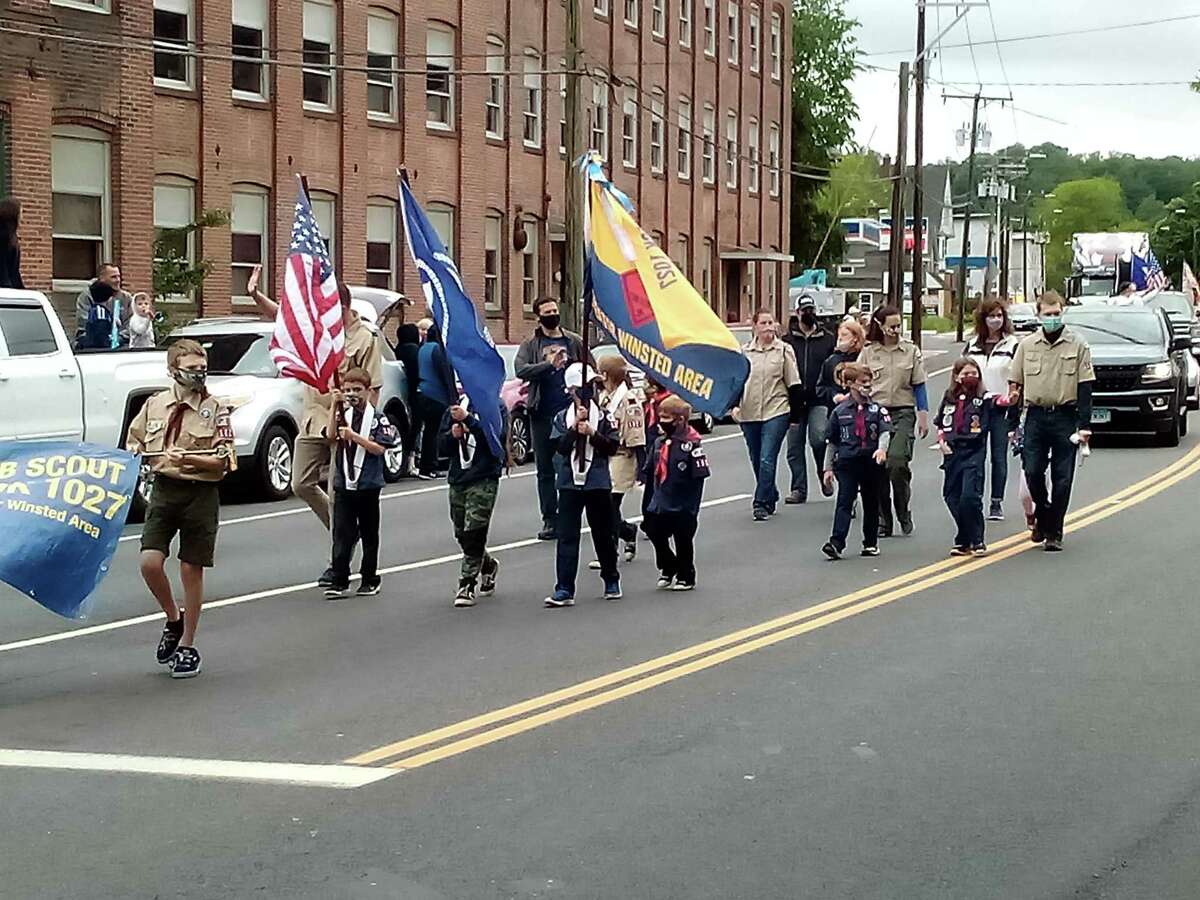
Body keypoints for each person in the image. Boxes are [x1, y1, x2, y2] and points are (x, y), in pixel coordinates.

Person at [248, 266, 384, 585]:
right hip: (313, 416)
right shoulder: (316, 327)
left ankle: (338, 557)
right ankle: (346, 532)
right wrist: (255, 295)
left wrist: (364, 426)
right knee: (301, 482)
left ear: (343, 307)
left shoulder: (364, 338)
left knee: (340, 493)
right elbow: (284, 317)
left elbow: (373, 386)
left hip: (345, 421)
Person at [126, 339, 234, 678]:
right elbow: (135, 439)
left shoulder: (215, 409)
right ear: (173, 370)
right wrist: (132, 451)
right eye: (191, 369)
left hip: (200, 492)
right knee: (149, 562)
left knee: (191, 568)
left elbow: (224, 461)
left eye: (202, 369)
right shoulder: (155, 405)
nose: (199, 375)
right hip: (164, 491)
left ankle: (187, 645)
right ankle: (174, 618)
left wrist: (188, 457)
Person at [1007, 290, 1096, 552]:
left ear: (1063, 312)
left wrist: (1085, 424)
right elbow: (1016, 386)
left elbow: (1085, 387)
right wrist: (1012, 423)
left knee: (1063, 478)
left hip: (1065, 417)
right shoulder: (1027, 346)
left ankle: (1054, 531)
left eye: (1057, 313)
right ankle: (1044, 515)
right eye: (1048, 314)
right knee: (1033, 471)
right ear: (1038, 315)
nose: (1053, 318)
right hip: (1035, 416)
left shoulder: (1078, 344)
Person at [545, 363, 621, 607]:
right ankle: (564, 587)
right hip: (569, 483)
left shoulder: (605, 416)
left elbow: (612, 446)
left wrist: (592, 433)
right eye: (587, 387)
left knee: (603, 534)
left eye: (595, 386)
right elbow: (560, 448)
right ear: (573, 390)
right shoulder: (561, 417)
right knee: (567, 536)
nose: (593, 391)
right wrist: (573, 429)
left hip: (596, 482)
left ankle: (611, 578)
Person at [515, 297, 587, 541]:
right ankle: (550, 519)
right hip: (542, 413)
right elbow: (520, 370)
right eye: (547, 312)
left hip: (568, 413)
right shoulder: (531, 344)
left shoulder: (573, 340)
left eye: (555, 310)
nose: (553, 315)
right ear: (538, 316)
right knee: (545, 469)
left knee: (567, 466)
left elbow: (590, 368)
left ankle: (570, 515)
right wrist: (548, 365)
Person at [323, 368, 398, 599]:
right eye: (347, 390)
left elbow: (380, 448)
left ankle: (369, 578)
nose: (352, 394)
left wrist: (354, 437)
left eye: (357, 390)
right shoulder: (342, 414)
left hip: (368, 484)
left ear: (367, 391)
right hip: (344, 483)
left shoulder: (377, 418)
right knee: (342, 532)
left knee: (369, 533)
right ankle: (339, 579)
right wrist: (334, 406)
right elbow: (330, 435)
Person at [858, 305, 929, 537]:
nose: (896, 330)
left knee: (897, 462)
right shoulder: (869, 352)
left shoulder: (909, 350)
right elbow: (857, 378)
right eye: (891, 326)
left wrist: (923, 415)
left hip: (902, 412)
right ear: (879, 326)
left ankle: (902, 509)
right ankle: (883, 519)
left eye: (899, 325)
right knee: (877, 467)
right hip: (876, 413)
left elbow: (919, 384)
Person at [735, 308, 801, 521]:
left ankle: (761, 503)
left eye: (770, 322)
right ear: (754, 327)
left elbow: (794, 383)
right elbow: (736, 383)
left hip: (776, 410)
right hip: (750, 412)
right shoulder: (744, 353)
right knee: (756, 458)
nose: (768, 327)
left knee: (766, 458)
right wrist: (733, 407)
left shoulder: (783, 351)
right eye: (763, 323)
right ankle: (769, 492)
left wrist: (795, 416)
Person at [820, 362, 891, 560]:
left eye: (869, 382)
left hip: (870, 461)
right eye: (863, 382)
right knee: (845, 500)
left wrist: (881, 450)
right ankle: (836, 542)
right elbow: (832, 442)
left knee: (870, 501)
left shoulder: (877, 410)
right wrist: (828, 468)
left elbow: (885, 432)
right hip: (847, 462)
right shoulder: (839, 412)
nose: (867, 386)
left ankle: (870, 542)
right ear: (850, 384)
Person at [438, 396, 504, 608]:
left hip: (483, 477)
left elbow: (496, 441)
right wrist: (452, 435)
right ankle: (487, 563)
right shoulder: (454, 409)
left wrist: (470, 421)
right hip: (458, 478)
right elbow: (440, 446)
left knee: (474, 531)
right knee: (462, 533)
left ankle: (466, 584)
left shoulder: (495, 406)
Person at [641, 395, 710, 591]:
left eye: (667, 418)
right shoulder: (659, 443)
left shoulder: (692, 445)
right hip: (660, 500)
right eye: (660, 417)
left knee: (683, 540)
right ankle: (668, 566)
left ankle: (686, 575)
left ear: (680, 419)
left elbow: (699, 477)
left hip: (683, 504)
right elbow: (651, 470)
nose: (662, 422)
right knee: (652, 530)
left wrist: (689, 505)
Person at [964, 299, 1021, 520]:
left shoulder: (1013, 344)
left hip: (1001, 408)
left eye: (999, 316)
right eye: (991, 316)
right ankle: (975, 496)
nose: (996, 320)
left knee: (999, 457)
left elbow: (1017, 378)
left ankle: (996, 502)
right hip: (977, 408)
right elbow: (963, 373)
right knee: (975, 456)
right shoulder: (972, 345)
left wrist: (1014, 410)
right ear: (983, 319)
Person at [936, 358, 993, 557]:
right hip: (952, 452)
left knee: (969, 497)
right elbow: (942, 422)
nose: (970, 377)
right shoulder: (949, 397)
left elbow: (1000, 403)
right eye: (965, 374)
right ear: (956, 376)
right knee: (951, 496)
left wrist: (1010, 400)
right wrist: (942, 442)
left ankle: (977, 540)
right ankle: (964, 537)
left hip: (973, 451)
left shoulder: (983, 398)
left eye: (974, 374)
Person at [593, 355, 646, 566]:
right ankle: (627, 531)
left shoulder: (628, 399)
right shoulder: (604, 395)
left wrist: (642, 469)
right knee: (604, 505)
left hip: (623, 456)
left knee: (609, 504)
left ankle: (609, 552)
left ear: (606, 374)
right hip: (605, 454)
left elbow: (636, 435)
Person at [782, 299, 837, 504]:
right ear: (796, 312)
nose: (808, 313)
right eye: (805, 310)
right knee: (794, 447)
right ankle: (798, 488)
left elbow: (834, 368)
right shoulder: (787, 341)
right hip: (794, 401)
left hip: (819, 399)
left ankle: (824, 475)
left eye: (812, 310)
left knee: (818, 437)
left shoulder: (827, 339)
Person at [415, 322, 456, 479]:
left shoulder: (423, 348)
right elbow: (446, 375)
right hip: (435, 395)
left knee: (428, 432)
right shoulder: (438, 350)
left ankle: (424, 466)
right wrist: (453, 398)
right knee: (435, 432)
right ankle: (430, 466)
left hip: (421, 392)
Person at [74, 263, 131, 350]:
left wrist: (117, 339)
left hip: (122, 345)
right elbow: (83, 324)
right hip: (93, 346)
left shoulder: (126, 298)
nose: (118, 280)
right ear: (101, 279)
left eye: (119, 276)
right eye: (113, 277)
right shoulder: (87, 296)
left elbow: (131, 325)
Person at [393, 322, 423, 476]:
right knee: (416, 426)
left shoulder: (398, 350)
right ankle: (411, 461)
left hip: (403, 390)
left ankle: (408, 461)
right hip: (415, 391)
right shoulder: (415, 351)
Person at [816, 319, 866, 411]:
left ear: (855, 338)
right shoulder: (831, 361)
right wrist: (834, 395)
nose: (840, 339)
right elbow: (821, 387)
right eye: (839, 335)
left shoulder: (864, 358)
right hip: (837, 411)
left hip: (861, 410)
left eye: (844, 335)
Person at [0, 197, 24, 290]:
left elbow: (15, 273)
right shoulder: (3, 239)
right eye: (20, 213)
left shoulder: (12, 238)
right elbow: (3, 271)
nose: (22, 217)